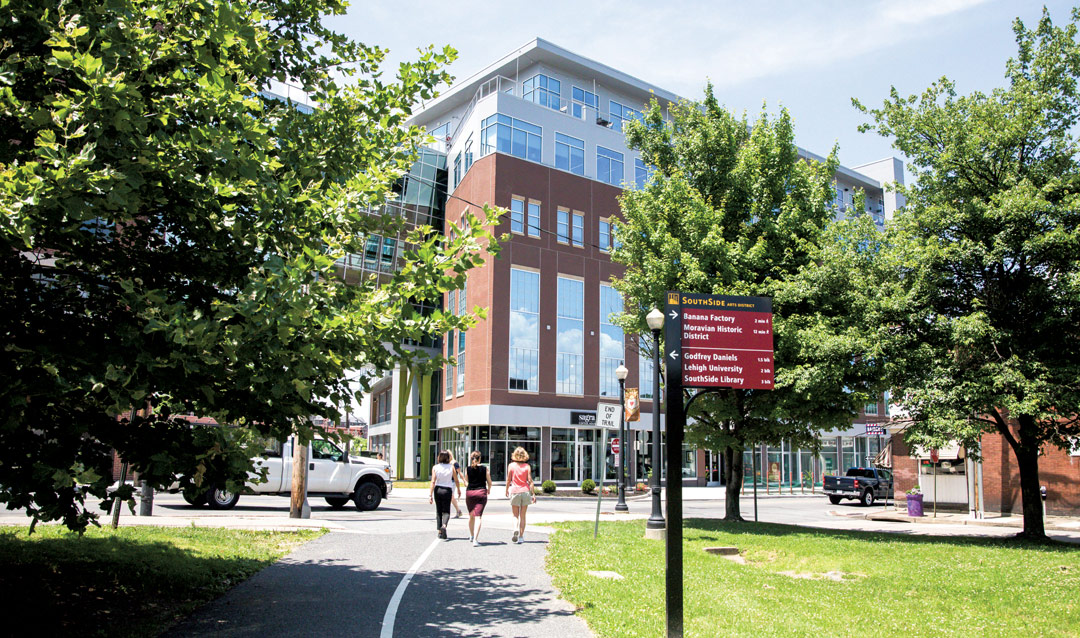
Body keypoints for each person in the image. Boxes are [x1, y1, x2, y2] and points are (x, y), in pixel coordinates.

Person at [505, 446, 535, 544]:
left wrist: (506, 490)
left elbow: (508, 479)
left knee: (515, 515)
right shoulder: (527, 466)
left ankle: (515, 529)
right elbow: (530, 481)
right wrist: (533, 494)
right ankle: (521, 536)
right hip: (525, 491)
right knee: (523, 515)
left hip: (515, 491)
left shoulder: (511, 466)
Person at [428, 450, 460, 540]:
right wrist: (458, 489)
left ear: (439, 457)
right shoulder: (451, 467)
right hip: (447, 489)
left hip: (438, 489)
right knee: (446, 510)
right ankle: (444, 525)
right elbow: (456, 479)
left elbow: (433, 481)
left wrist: (430, 495)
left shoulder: (435, 467)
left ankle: (440, 531)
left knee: (439, 510)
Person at [465, 450, 492, 547]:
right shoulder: (485, 469)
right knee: (478, 516)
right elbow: (489, 482)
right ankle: (475, 540)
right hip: (481, 492)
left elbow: (466, 482)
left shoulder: (467, 469)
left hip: (470, 493)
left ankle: (471, 535)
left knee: (471, 515)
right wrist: (489, 489)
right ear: (480, 459)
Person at [448, 451, 464, 518]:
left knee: (451, 497)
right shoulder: (446, 463)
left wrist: (464, 480)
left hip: (452, 482)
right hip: (447, 481)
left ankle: (458, 510)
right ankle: (457, 510)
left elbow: (459, 473)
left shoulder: (454, 463)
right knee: (449, 497)